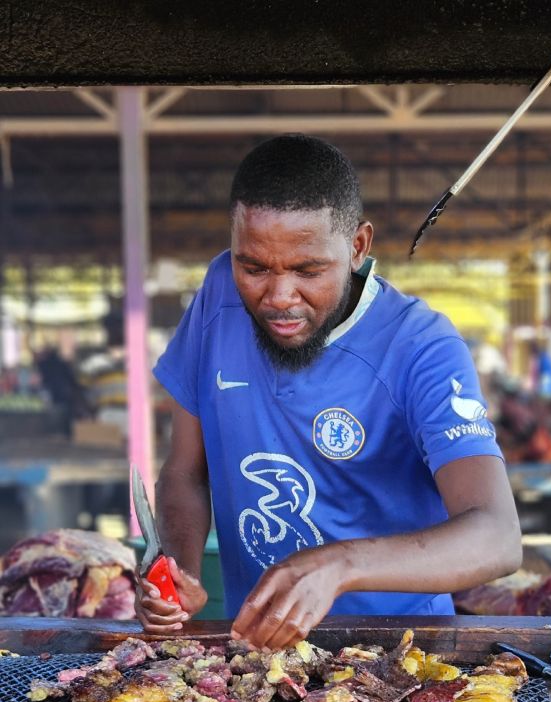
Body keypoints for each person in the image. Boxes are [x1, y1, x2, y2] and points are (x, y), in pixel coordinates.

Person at [136, 134, 522, 649]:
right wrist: (177, 573)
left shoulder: (420, 346)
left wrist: (339, 565)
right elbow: (185, 471)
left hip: (402, 657)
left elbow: (497, 536)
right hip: (258, 657)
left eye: (308, 270)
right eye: (253, 267)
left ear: (358, 247)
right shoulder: (217, 294)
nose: (279, 297)